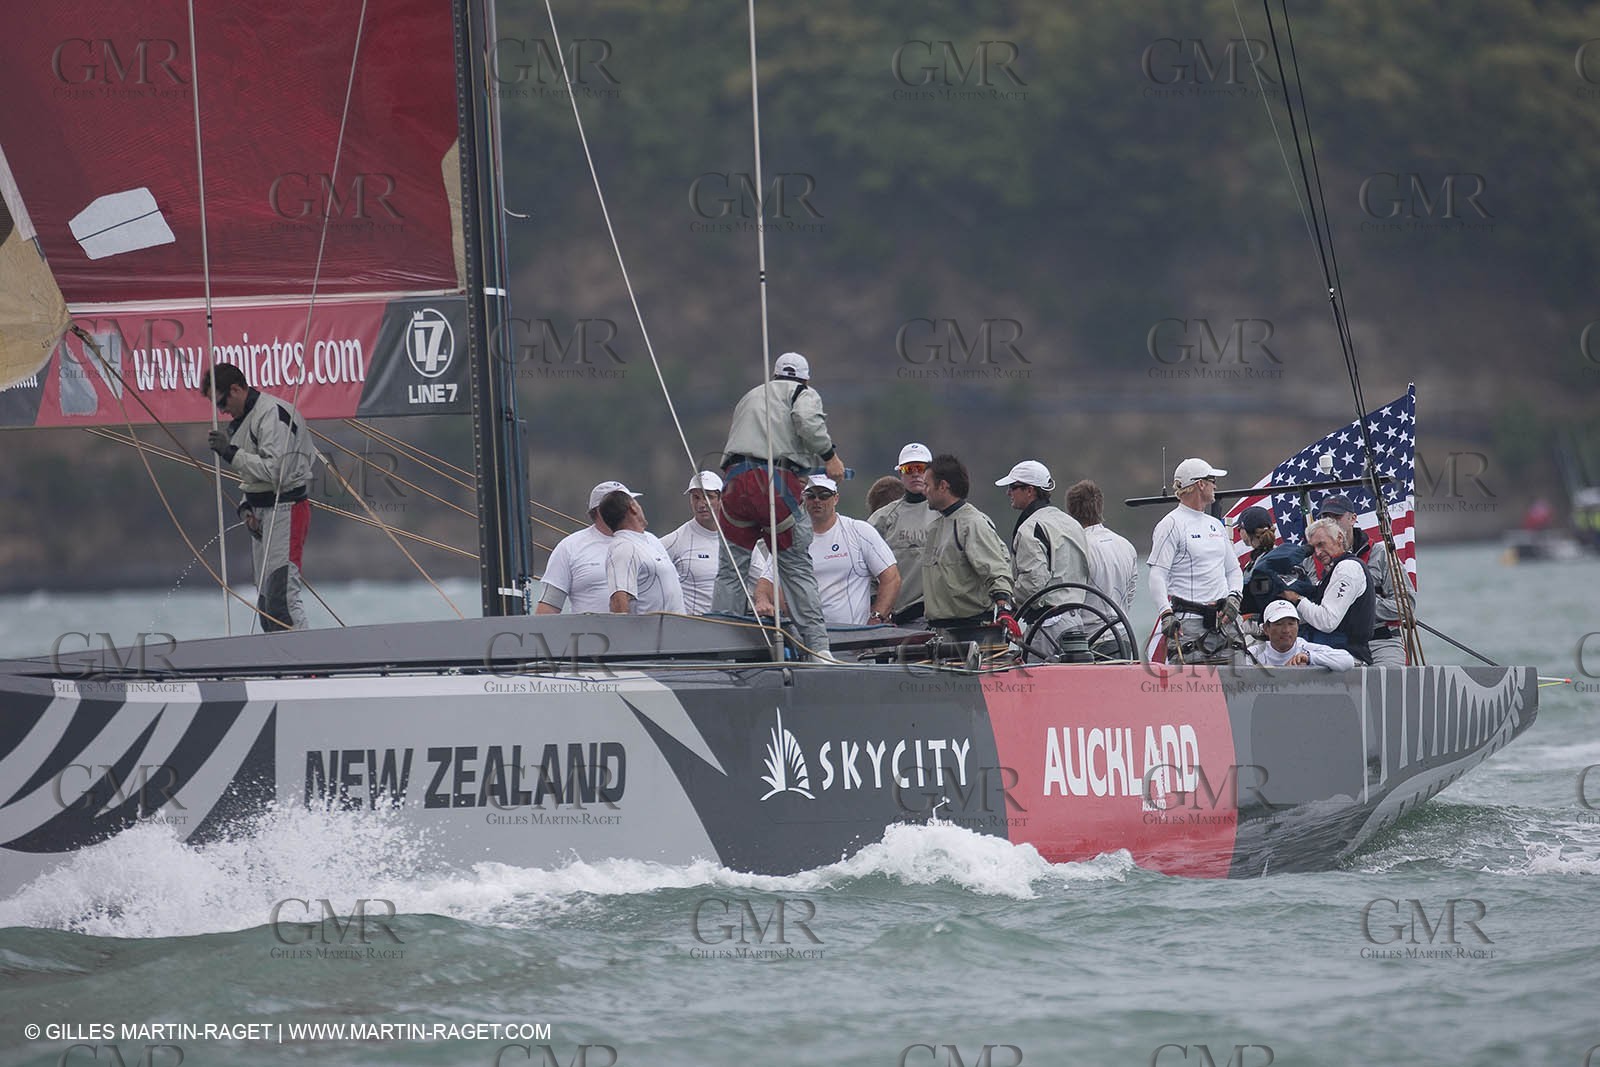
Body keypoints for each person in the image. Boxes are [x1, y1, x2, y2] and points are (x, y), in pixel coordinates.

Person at [713, 351, 842, 657]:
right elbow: (806, 421)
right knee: (796, 567)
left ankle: (719, 649)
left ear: (774, 375)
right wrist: (829, 456)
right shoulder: (802, 393)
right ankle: (818, 649)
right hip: (773, 483)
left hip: (734, 483)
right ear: (805, 379)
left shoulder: (750, 396)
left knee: (731, 570)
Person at [200, 362, 316, 631]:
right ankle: (281, 656)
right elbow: (253, 477)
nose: (221, 411)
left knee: (282, 600)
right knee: (266, 605)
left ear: (236, 389)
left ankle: (309, 657)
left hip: (286, 509)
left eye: (221, 402)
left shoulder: (271, 414)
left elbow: (277, 471)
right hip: (263, 512)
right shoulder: (244, 421)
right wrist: (246, 507)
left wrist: (230, 453)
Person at [752, 475, 901, 625]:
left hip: (854, 634)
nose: (817, 500)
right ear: (803, 499)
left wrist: (877, 617)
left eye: (824, 495)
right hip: (807, 634)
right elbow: (765, 582)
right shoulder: (789, 539)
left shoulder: (859, 531)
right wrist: (762, 601)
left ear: (835, 499)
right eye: (811, 495)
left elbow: (891, 578)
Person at [1149, 457, 1243, 663]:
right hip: (1188, 627)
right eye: (1212, 480)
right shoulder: (1170, 524)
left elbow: (1233, 570)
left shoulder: (1215, 525)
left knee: (1241, 682)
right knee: (1192, 684)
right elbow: (1157, 574)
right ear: (1200, 484)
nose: (1215, 486)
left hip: (1225, 623)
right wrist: (1166, 614)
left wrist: (1235, 596)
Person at [995, 460, 1092, 647]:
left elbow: (1033, 583)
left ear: (1030, 490)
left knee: (1032, 667)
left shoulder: (1030, 528)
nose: (1008, 492)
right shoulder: (1071, 523)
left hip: (1048, 625)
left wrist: (1009, 604)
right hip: (1075, 621)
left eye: (1013, 487)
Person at [922, 453, 1016, 642]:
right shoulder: (934, 528)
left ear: (943, 486)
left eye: (927, 485)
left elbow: (996, 571)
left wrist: (1003, 607)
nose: (924, 491)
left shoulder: (973, 524)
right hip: (939, 631)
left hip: (971, 631)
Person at [1279, 517, 1375, 665]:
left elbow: (1327, 621)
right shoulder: (1333, 571)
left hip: (1346, 661)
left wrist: (1296, 598)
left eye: (1321, 544)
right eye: (1313, 548)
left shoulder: (1347, 568)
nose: (1317, 553)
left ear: (1339, 538)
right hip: (1330, 657)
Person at [535, 480, 636, 614]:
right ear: (599, 510)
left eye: (631, 503)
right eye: (622, 505)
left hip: (645, 627)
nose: (631, 509)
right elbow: (548, 607)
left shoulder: (649, 541)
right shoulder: (569, 547)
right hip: (591, 628)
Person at [869, 443, 937, 624]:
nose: (915, 474)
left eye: (920, 468)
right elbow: (863, 566)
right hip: (899, 619)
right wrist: (877, 605)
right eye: (908, 469)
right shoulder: (882, 519)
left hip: (943, 618)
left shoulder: (948, 513)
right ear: (900, 473)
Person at [599, 490, 684, 614]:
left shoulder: (651, 539)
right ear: (633, 508)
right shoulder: (623, 547)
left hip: (677, 625)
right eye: (637, 503)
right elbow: (618, 602)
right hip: (652, 626)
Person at [1065, 479, 1138, 619]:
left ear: (1070, 511)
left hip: (1088, 631)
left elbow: (1069, 597)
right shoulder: (1126, 545)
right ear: (1100, 507)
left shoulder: (1076, 548)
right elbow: (1130, 594)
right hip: (1122, 629)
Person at [659, 471, 726, 615]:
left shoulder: (738, 538)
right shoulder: (675, 540)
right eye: (696, 497)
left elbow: (761, 578)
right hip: (693, 625)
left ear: (722, 499)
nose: (701, 504)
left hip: (732, 625)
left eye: (709, 497)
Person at [1237, 505, 1312, 618]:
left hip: (1273, 620)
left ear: (1246, 531)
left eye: (1239, 528)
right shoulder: (1285, 553)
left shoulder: (1264, 562)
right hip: (1297, 617)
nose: (1239, 532)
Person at [1246, 599, 1356, 670]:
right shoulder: (1254, 653)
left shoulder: (1304, 648)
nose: (1286, 630)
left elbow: (1347, 660)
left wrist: (1310, 658)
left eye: (1291, 624)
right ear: (1266, 629)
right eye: (1279, 624)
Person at [1365, 526, 1416, 667]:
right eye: (1326, 516)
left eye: (1337, 516)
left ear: (1352, 518)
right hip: (1334, 643)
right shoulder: (1315, 558)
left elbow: (1407, 606)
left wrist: (1364, 606)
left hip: (1381, 640)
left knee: (1389, 675)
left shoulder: (1380, 554)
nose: (1332, 520)